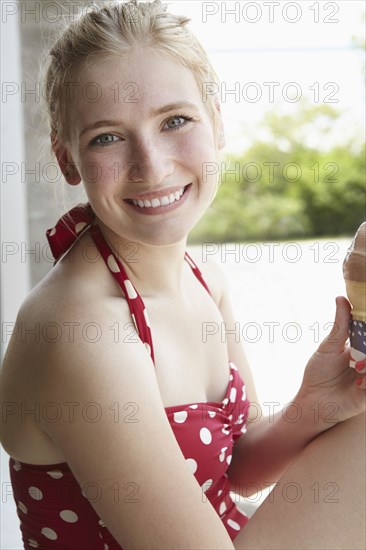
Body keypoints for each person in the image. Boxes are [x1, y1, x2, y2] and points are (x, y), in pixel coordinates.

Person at [1, 1, 365, 548]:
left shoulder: (204, 280)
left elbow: (234, 468)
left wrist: (312, 407)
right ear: (67, 158)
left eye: (175, 121)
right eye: (107, 136)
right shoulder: (80, 330)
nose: (152, 165)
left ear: (218, 121)